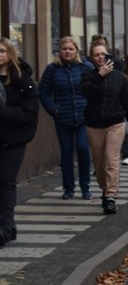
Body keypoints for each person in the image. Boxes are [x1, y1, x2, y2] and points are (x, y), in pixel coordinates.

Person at [81, 42, 128, 214]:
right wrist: (99, 76)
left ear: (108, 57)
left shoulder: (118, 77)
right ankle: (105, 190)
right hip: (94, 125)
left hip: (115, 124)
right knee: (99, 165)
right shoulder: (88, 76)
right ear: (92, 58)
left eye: (103, 54)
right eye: (97, 55)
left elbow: (126, 102)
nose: (100, 57)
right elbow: (87, 92)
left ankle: (111, 197)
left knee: (111, 160)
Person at [39, 37, 94, 200]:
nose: (68, 52)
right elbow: (43, 92)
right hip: (62, 117)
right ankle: (68, 188)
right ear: (59, 51)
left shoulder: (85, 67)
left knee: (83, 150)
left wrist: (91, 108)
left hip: (84, 117)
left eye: (71, 49)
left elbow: (95, 88)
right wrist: (54, 109)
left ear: (76, 51)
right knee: (67, 152)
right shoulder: (52, 69)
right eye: (64, 49)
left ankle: (85, 187)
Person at [0, 38, 39, 247]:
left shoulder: (22, 79)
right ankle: (7, 226)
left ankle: (6, 226)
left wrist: (3, 111)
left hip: (13, 140)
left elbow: (29, 112)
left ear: (10, 54)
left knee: (6, 181)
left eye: (2, 51)